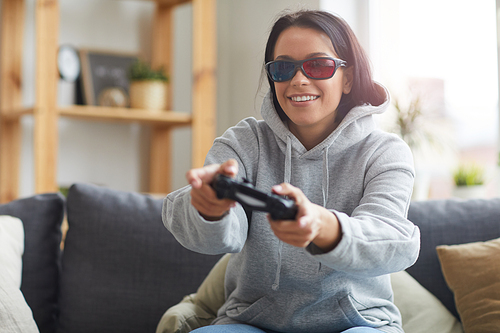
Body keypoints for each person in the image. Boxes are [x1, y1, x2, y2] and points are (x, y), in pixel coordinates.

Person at [163, 9, 420, 333]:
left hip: (357, 323)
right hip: (253, 322)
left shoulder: (385, 152)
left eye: (318, 65)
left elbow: (392, 242)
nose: (298, 79)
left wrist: (324, 227)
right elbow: (218, 237)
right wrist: (208, 211)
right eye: (283, 68)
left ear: (349, 77)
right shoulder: (243, 142)